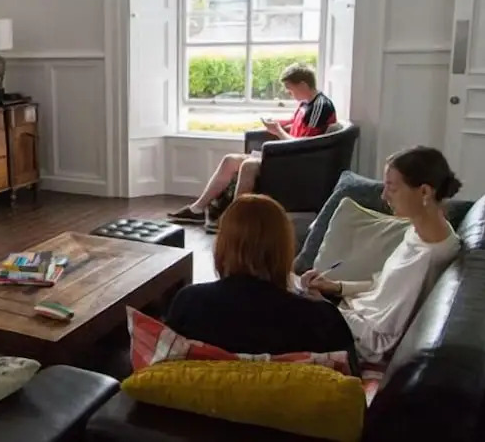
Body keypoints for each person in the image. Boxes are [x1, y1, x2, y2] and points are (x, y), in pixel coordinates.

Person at [300, 146, 463, 363]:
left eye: (392, 188)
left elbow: (379, 341)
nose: (384, 195)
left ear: (424, 192)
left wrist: (326, 308)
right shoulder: (426, 233)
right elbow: (383, 285)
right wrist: (336, 286)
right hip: (350, 313)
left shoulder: (426, 260)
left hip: (353, 338)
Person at [165, 194, 358, 373]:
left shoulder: (188, 303)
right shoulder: (322, 319)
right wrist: (321, 305)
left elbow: (164, 372)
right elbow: (352, 385)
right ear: (284, 250)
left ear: (222, 246)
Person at [168, 63, 337, 226]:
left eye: (290, 88)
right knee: (229, 160)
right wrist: (275, 123)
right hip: (288, 155)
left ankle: (234, 219)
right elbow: (294, 123)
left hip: (299, 162)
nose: (289, 93)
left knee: (249, 165)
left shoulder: (320, 107)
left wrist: (278, 131)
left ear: (303, 85)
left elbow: (305, 146)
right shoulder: (306, 103)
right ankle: (197, 209)